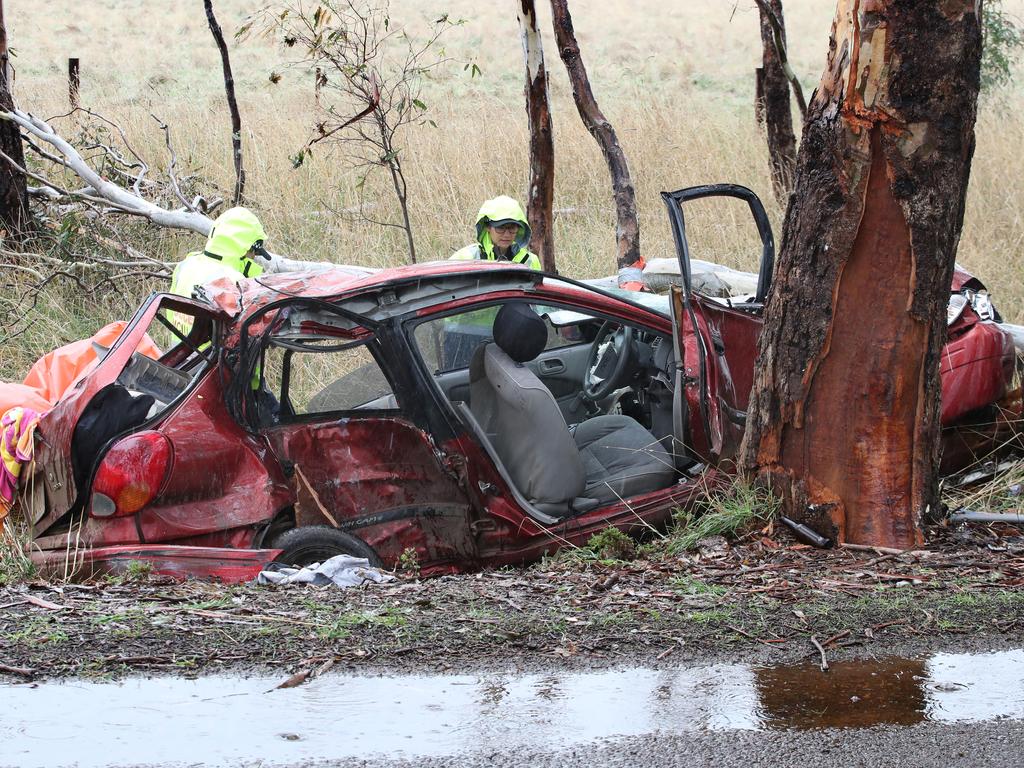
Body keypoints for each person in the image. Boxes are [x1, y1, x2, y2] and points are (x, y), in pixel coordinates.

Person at [170, 206, 270, 303]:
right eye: (255, 252)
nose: (253, 257)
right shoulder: (235, 282)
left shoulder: (185, 265)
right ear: (247, 248)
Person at [450, 196, 541, 270]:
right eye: (501, 228)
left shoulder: (530, 260)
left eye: (512, 228)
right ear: (487, 227)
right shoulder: (466, 257)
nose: (507, 234)